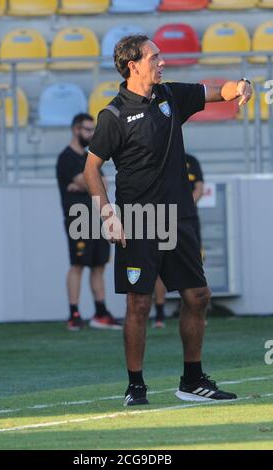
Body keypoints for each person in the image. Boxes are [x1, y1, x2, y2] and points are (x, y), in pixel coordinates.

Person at [84, 35, 252, 405]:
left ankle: (192, 382)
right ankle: (136, 386)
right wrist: (108, 214)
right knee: (139, 305)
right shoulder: (112, 115)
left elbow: (218, 91)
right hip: (138, 220)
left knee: (198, 295)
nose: (162, 62)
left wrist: (241, 85)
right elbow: (92, 167)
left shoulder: (170, 96)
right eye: (155, 57)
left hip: (179, 218)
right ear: (134, 65)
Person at [56, 113, 122, 331]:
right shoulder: (66, 158)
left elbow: (102, 182)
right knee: (77, 265)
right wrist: (89, 183)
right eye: (87, 129)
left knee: (99, 266)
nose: (91, 134)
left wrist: (87, 183)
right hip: (78, 217)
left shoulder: (89, 158)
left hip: (97, 216)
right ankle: (74, 313)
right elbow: (90, 181)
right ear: (76, 130)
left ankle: (101, 312)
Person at [153, 153, 205, 328]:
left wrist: (184, 207)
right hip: (163, 219)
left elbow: (199, 187)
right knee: (160, 266)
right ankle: (160, 314)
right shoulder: (157, 157)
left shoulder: (191, 160)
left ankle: (196, 312)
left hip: (187, 220)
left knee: (195, 265)